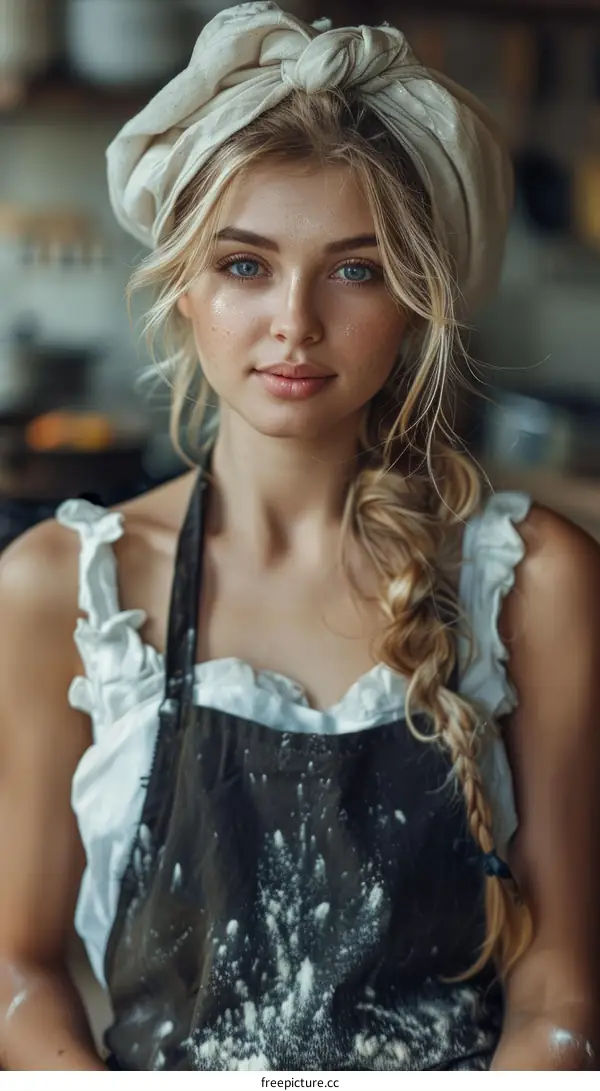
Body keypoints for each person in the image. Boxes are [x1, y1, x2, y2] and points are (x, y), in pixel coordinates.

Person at [0, 2, 598, 1072]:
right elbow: (17, 969)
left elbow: (561, 978)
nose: (294, 321)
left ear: (419, 301)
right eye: (245, 265)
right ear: (183, 284)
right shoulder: (68, 589)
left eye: (356, 269)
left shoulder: (531, 580)